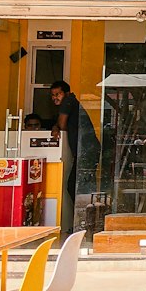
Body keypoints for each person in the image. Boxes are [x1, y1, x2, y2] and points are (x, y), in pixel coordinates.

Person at [50, 80, 100, 236]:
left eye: (57, 94)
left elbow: (63, 124)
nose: (55, 98)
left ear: (65, 93)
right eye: (52, 95)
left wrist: (56, 126)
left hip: (86, 151)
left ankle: (85, 225)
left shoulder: (68, 101)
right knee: (80, 187)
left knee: (75, 186)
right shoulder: (72, 101)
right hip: (88, 150)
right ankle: (86, 224)